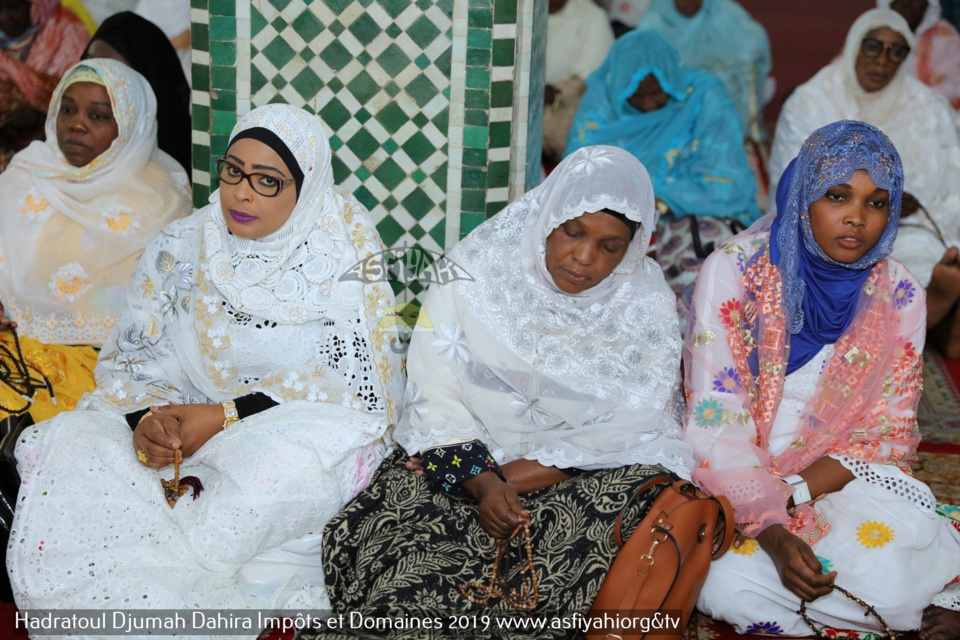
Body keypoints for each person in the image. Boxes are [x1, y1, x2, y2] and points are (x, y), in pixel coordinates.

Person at [6, 103, 403, 614]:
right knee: (75, 441)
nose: (240, 192)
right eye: (234, 171)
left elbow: (358, 388)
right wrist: (150, 421)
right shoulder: (181, 245)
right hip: (180, 420)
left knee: (265, 482)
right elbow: (135, 358)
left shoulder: (342, 253)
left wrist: (222, 417)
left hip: (289, 430)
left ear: (305, 190)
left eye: (267, 181)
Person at [305, 146, 693, 638]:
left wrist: (505, 480)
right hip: (467, 462)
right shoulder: (476, 271)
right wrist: (483, 484)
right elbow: (435, 396)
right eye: (573, 232)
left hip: (577, 476)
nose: (584, 257)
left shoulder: (643, 300)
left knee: (641, 492)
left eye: (610, 246)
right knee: (403, 527)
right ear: (546, 216)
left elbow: (632, 425)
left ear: (632, 249)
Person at [684, 121, 960, 638]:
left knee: (898, 571)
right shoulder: (734, 272)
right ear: (803, 196)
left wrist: (794, 493)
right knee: (722, 585)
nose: (857, 218)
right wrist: (768, 526)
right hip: (729, 480)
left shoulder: (898, 292)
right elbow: (715, 417)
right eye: (837, 196)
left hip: (837, 478)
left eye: (877, 203)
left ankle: (880, 600)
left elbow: (884, 435)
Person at [0, 58, 191, 423]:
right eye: (67, 110)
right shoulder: (25, 176)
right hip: (15, 351)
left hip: (105, 366)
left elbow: (164, 315)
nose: (76, 124)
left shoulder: (160, 196)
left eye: (98, 116)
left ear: (130, 125)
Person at [768, 8, 960, 358]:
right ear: (854, 46)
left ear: (907, 57)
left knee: (921, 258)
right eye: (873, 47)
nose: (883, 61)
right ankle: (927, 320)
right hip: (821, 227)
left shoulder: (928, 106)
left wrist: (890, 205)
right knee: (821, 268)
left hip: (908, 229)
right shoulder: (812, 101)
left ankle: (927, 311)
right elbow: (791, 183)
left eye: (896, 51)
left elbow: (951, 179)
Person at [567, 29, 760, 318]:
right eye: (635, 96)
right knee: (588, 275)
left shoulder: (704, 97)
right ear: (618, 88)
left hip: (695, 212)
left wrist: (661, 199)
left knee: (707, 280)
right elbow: (579, 175)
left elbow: (727, 182)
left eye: (658, 93)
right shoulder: (601, 101)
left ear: (674, 81)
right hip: (615, 214)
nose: (648, 104)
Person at [636, 0, 772, 141]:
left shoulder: (723, 12)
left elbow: (755, 42)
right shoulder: (652, 25)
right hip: (676, 126)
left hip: (728, 121)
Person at [83, 11, 192, 175]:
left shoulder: (180, 157)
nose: (93, 78)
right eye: (89, 63)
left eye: (111, 71)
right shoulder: (69, 130)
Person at [0, 0, 90, 172]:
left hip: (56, 146)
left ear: (35, 5)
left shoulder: (68, 30)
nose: (5, 17)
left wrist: (41, 115)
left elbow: (87, 98)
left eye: (14, 6)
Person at [542, 0, 614, 165]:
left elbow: (592, 75)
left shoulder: (592, 16)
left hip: (571, 104)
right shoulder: (522, 16)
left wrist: (554, 91)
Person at [881, 0, 960, 109]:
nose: (906, 4)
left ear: (928, 3)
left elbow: (954, 88)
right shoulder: (874, 36)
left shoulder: (946, 36)